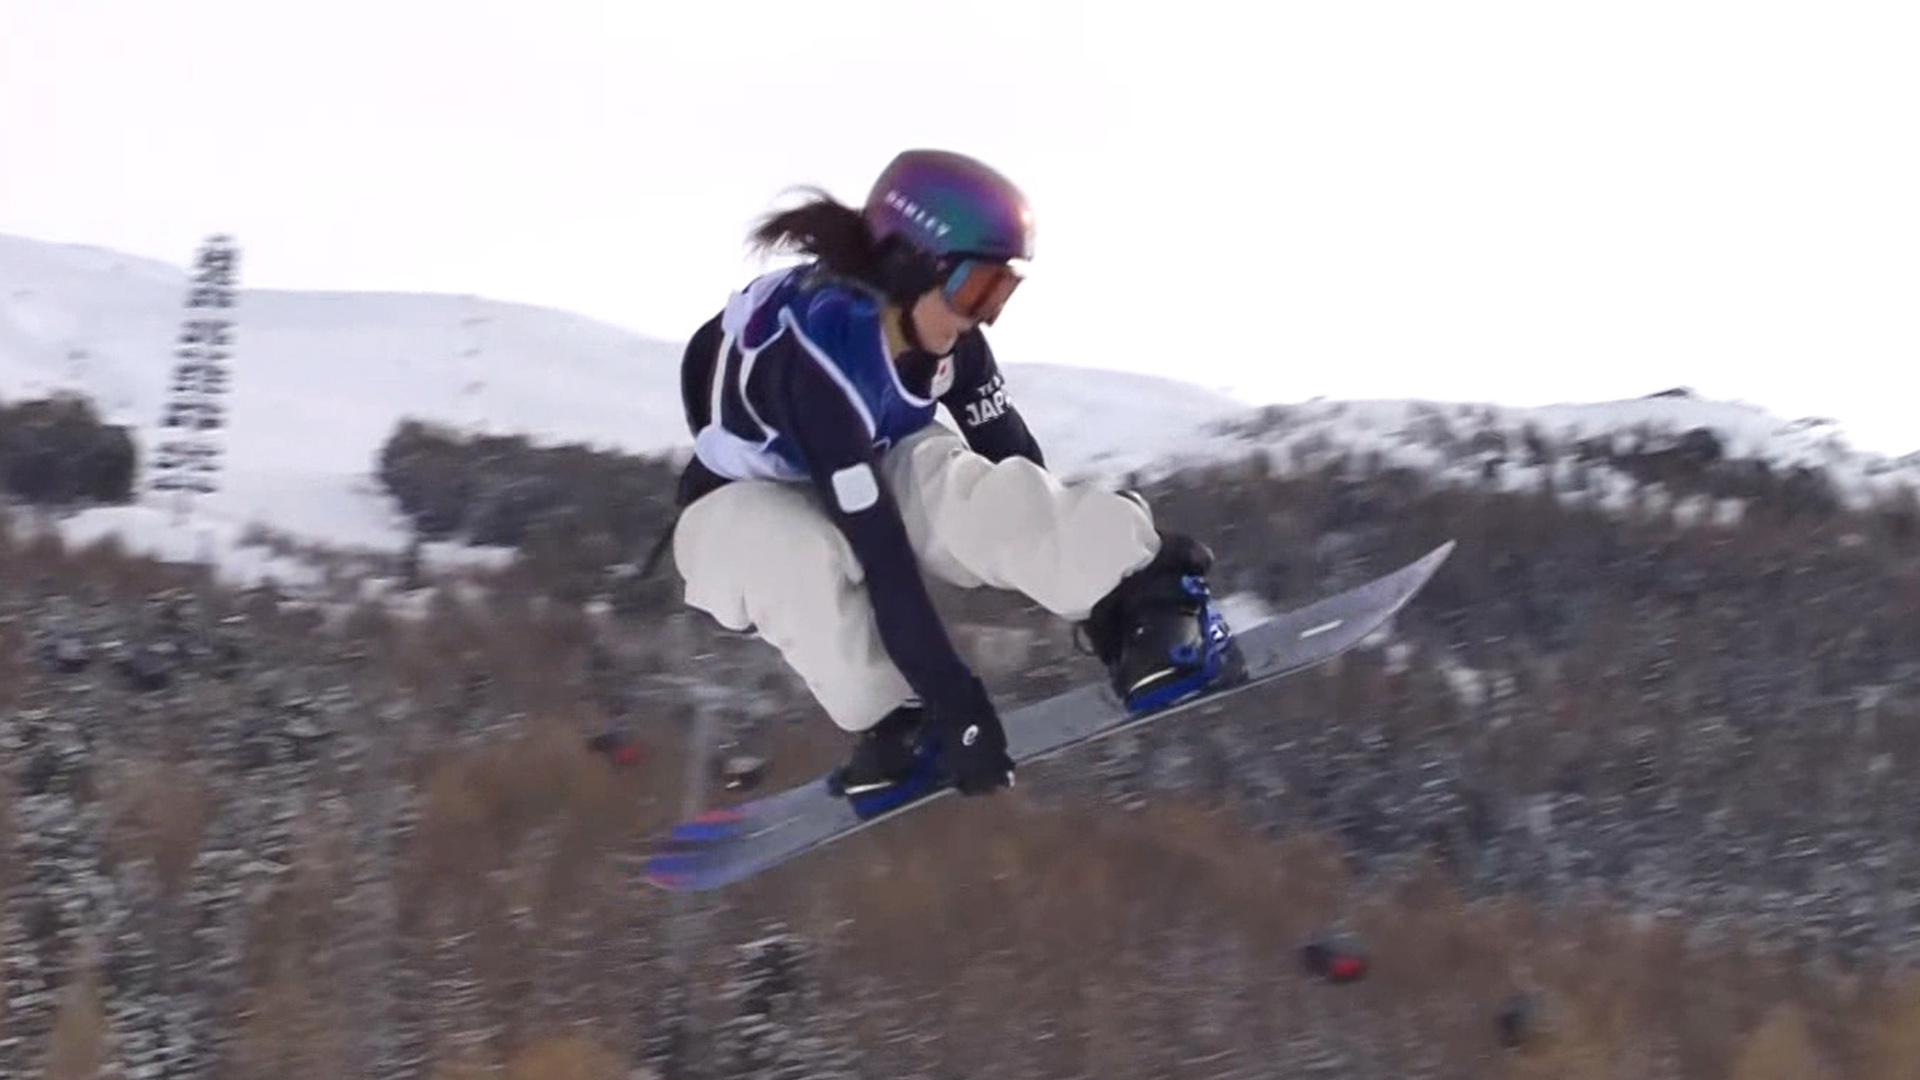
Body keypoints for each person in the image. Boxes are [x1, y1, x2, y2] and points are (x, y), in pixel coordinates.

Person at [666, 148, 1241, 802]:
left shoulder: (953, 343)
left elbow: (1011, 463)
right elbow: (884, 561)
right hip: (738, 506)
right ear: (909, 265)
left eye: (1000, 293)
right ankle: (897, 721)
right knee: (798, 563)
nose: (980, 315)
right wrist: (956, 704)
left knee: (953, 487)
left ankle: (1154, 603)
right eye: (973, 289)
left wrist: (1102, 593)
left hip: (878, 452)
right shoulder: (820, 365)